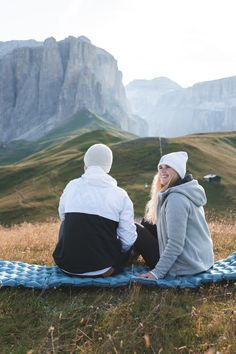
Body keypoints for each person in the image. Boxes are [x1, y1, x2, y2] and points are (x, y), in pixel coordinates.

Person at [53, 143, 137, 277]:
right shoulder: (120, 194)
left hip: (65, 266)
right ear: (108, 167)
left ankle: (69, 256)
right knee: (130, 239)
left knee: (66, 221)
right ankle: (110, 266)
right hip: (103, 269)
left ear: (86, 164)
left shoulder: (71, 186)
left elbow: (62, 217)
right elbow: (128, 240)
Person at [139, 151, 214, 279]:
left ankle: (125, 260)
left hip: (183, 265)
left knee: (136, 230)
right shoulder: (188, 189)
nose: (162, 171)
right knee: (147, 222)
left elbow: (175, 243)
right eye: (160, 168)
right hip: (200, 259)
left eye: (168, 167)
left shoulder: (176, 199)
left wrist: (157, 273)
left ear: (178, 171)